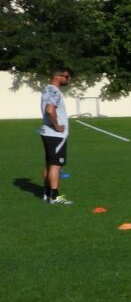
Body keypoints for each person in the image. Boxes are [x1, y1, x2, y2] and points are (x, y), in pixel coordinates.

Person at [39, 67, 72, 204]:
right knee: (56, 165)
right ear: (58, 77)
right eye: (67, 77)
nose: (68, 79)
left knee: (49, 164)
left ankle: (47, 193)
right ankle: (54, 196)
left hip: (47, 133)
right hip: (55, 135)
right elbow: (50, 110)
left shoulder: (47, 90)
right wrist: (57, 126)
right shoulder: (54, 91)